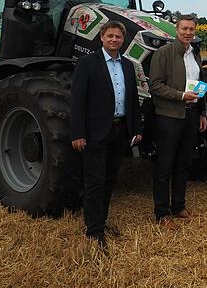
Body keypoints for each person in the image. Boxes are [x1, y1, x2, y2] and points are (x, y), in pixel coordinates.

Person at [71, 21, 142, 249]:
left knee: (110, 179)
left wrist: (136, 129)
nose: (114, 40)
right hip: (95, 132)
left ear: (123, 40)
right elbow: (77, 101)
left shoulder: (128, 66)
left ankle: (101, 221)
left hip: (120, 130)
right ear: (101, 37)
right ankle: (94, 230)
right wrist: (78, 133)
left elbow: (132, 100)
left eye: (118, 37)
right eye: (110, 36)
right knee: (95, 181)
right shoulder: (87, 63)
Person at [149, 15, 207, 229]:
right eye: (184, 28)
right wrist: (181, 96)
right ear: (176, 29)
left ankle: (179, 206)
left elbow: (200, 85)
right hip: (169, 117)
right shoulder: (163, 53)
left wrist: (203, 113)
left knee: (184, 163)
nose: (188, 33)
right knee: (165, 164)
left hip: (191, 115)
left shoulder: (195, 55)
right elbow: (155, 85)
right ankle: (162, 212)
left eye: (191, 29)